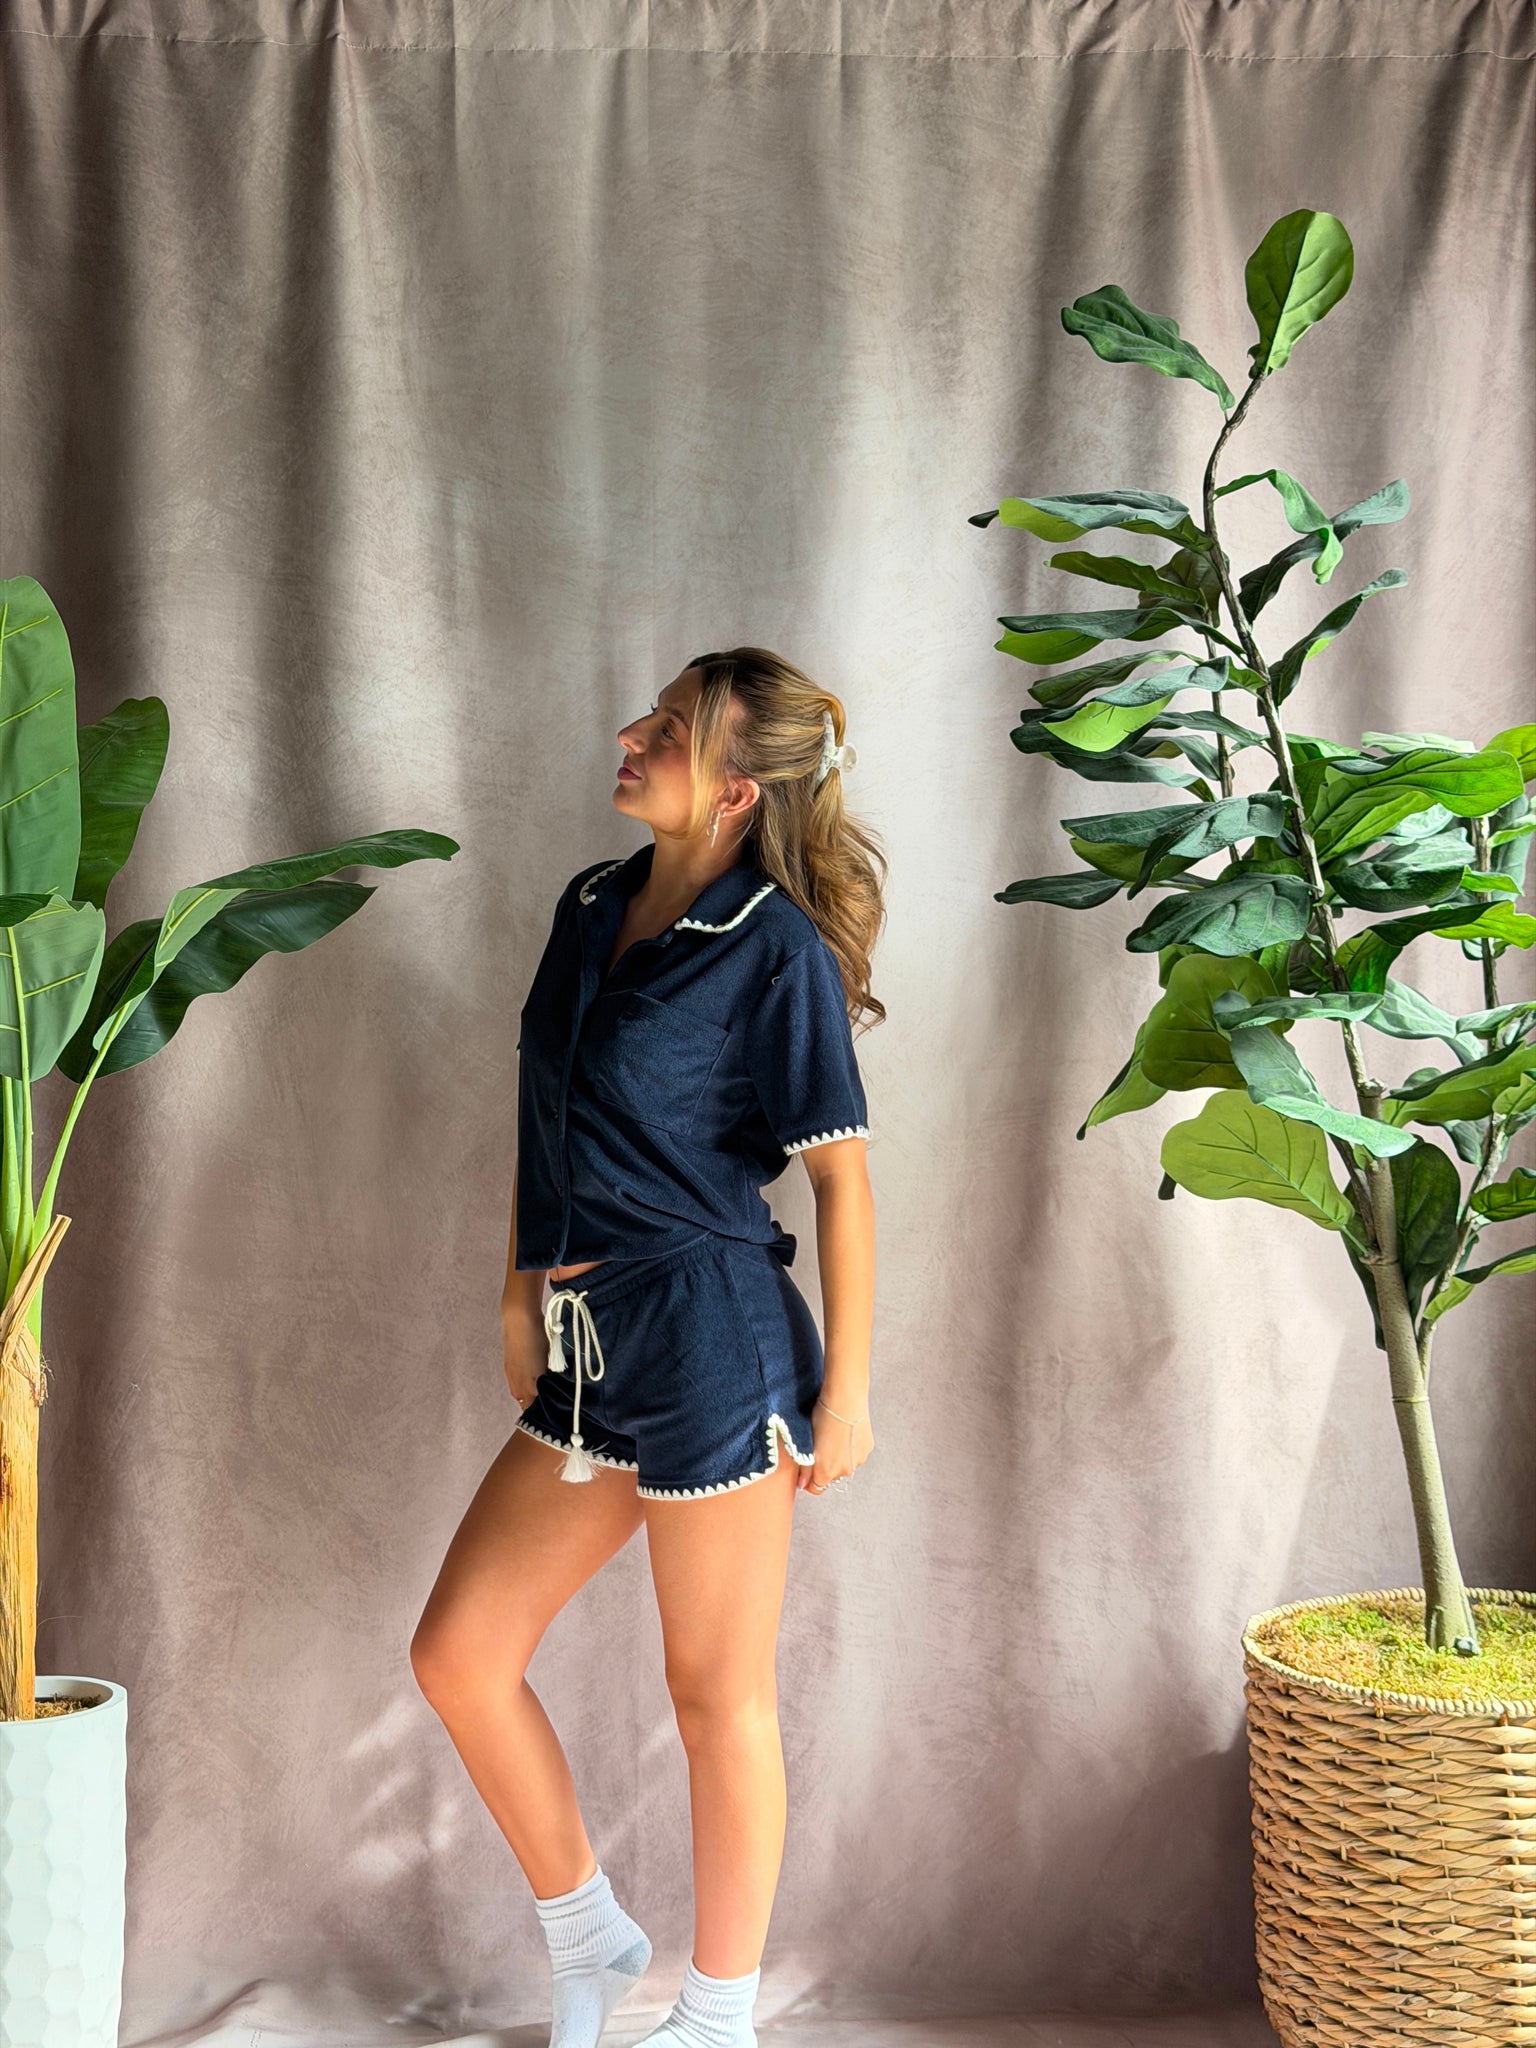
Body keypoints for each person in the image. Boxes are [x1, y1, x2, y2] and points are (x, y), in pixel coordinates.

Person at [411, 649, 884, 2048]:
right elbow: (544, 1105)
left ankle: (719, 2017)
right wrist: (517, 1289)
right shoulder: (590, 904)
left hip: (714, 1340)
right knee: (459, 1655)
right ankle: (590, 1938)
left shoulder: (774, 949)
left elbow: (841, 1179)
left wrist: (850, 1393)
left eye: (670, 729)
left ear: (736, 792)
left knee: (714, 1695)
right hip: (589, 1345)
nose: (632, 733)